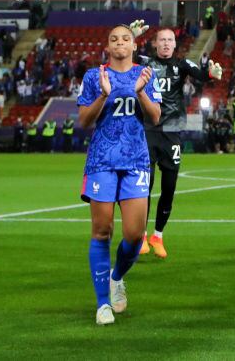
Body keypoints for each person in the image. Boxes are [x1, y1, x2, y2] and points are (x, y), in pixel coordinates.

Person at [77, 24, 162, 325]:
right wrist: (102, 95)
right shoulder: (93, 76)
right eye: (113, 39)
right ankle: (102, 305)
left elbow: (155, 117)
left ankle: (116, 277)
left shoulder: (146, 75)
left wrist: (140, 93)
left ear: (134, 45)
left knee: (135, 234)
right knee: (102, 231)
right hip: (102, 160)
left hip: (136, 160)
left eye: (125, 38)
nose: (119, 43)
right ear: (108, 46)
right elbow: (84, 121)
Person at [135, 24, 223, 258]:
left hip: (172, 131)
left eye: (169, 40)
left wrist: (211, 74)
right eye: (161, 40)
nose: (165, 43)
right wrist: (131, 37)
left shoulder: (182, 65)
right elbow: (123, 55)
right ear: (155, 43)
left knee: (169, 187)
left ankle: (158, 235)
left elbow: (201, 75)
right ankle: (141, 236)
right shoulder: (145, 62)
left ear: (175, 45)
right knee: (146, 185)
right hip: (147, 129)